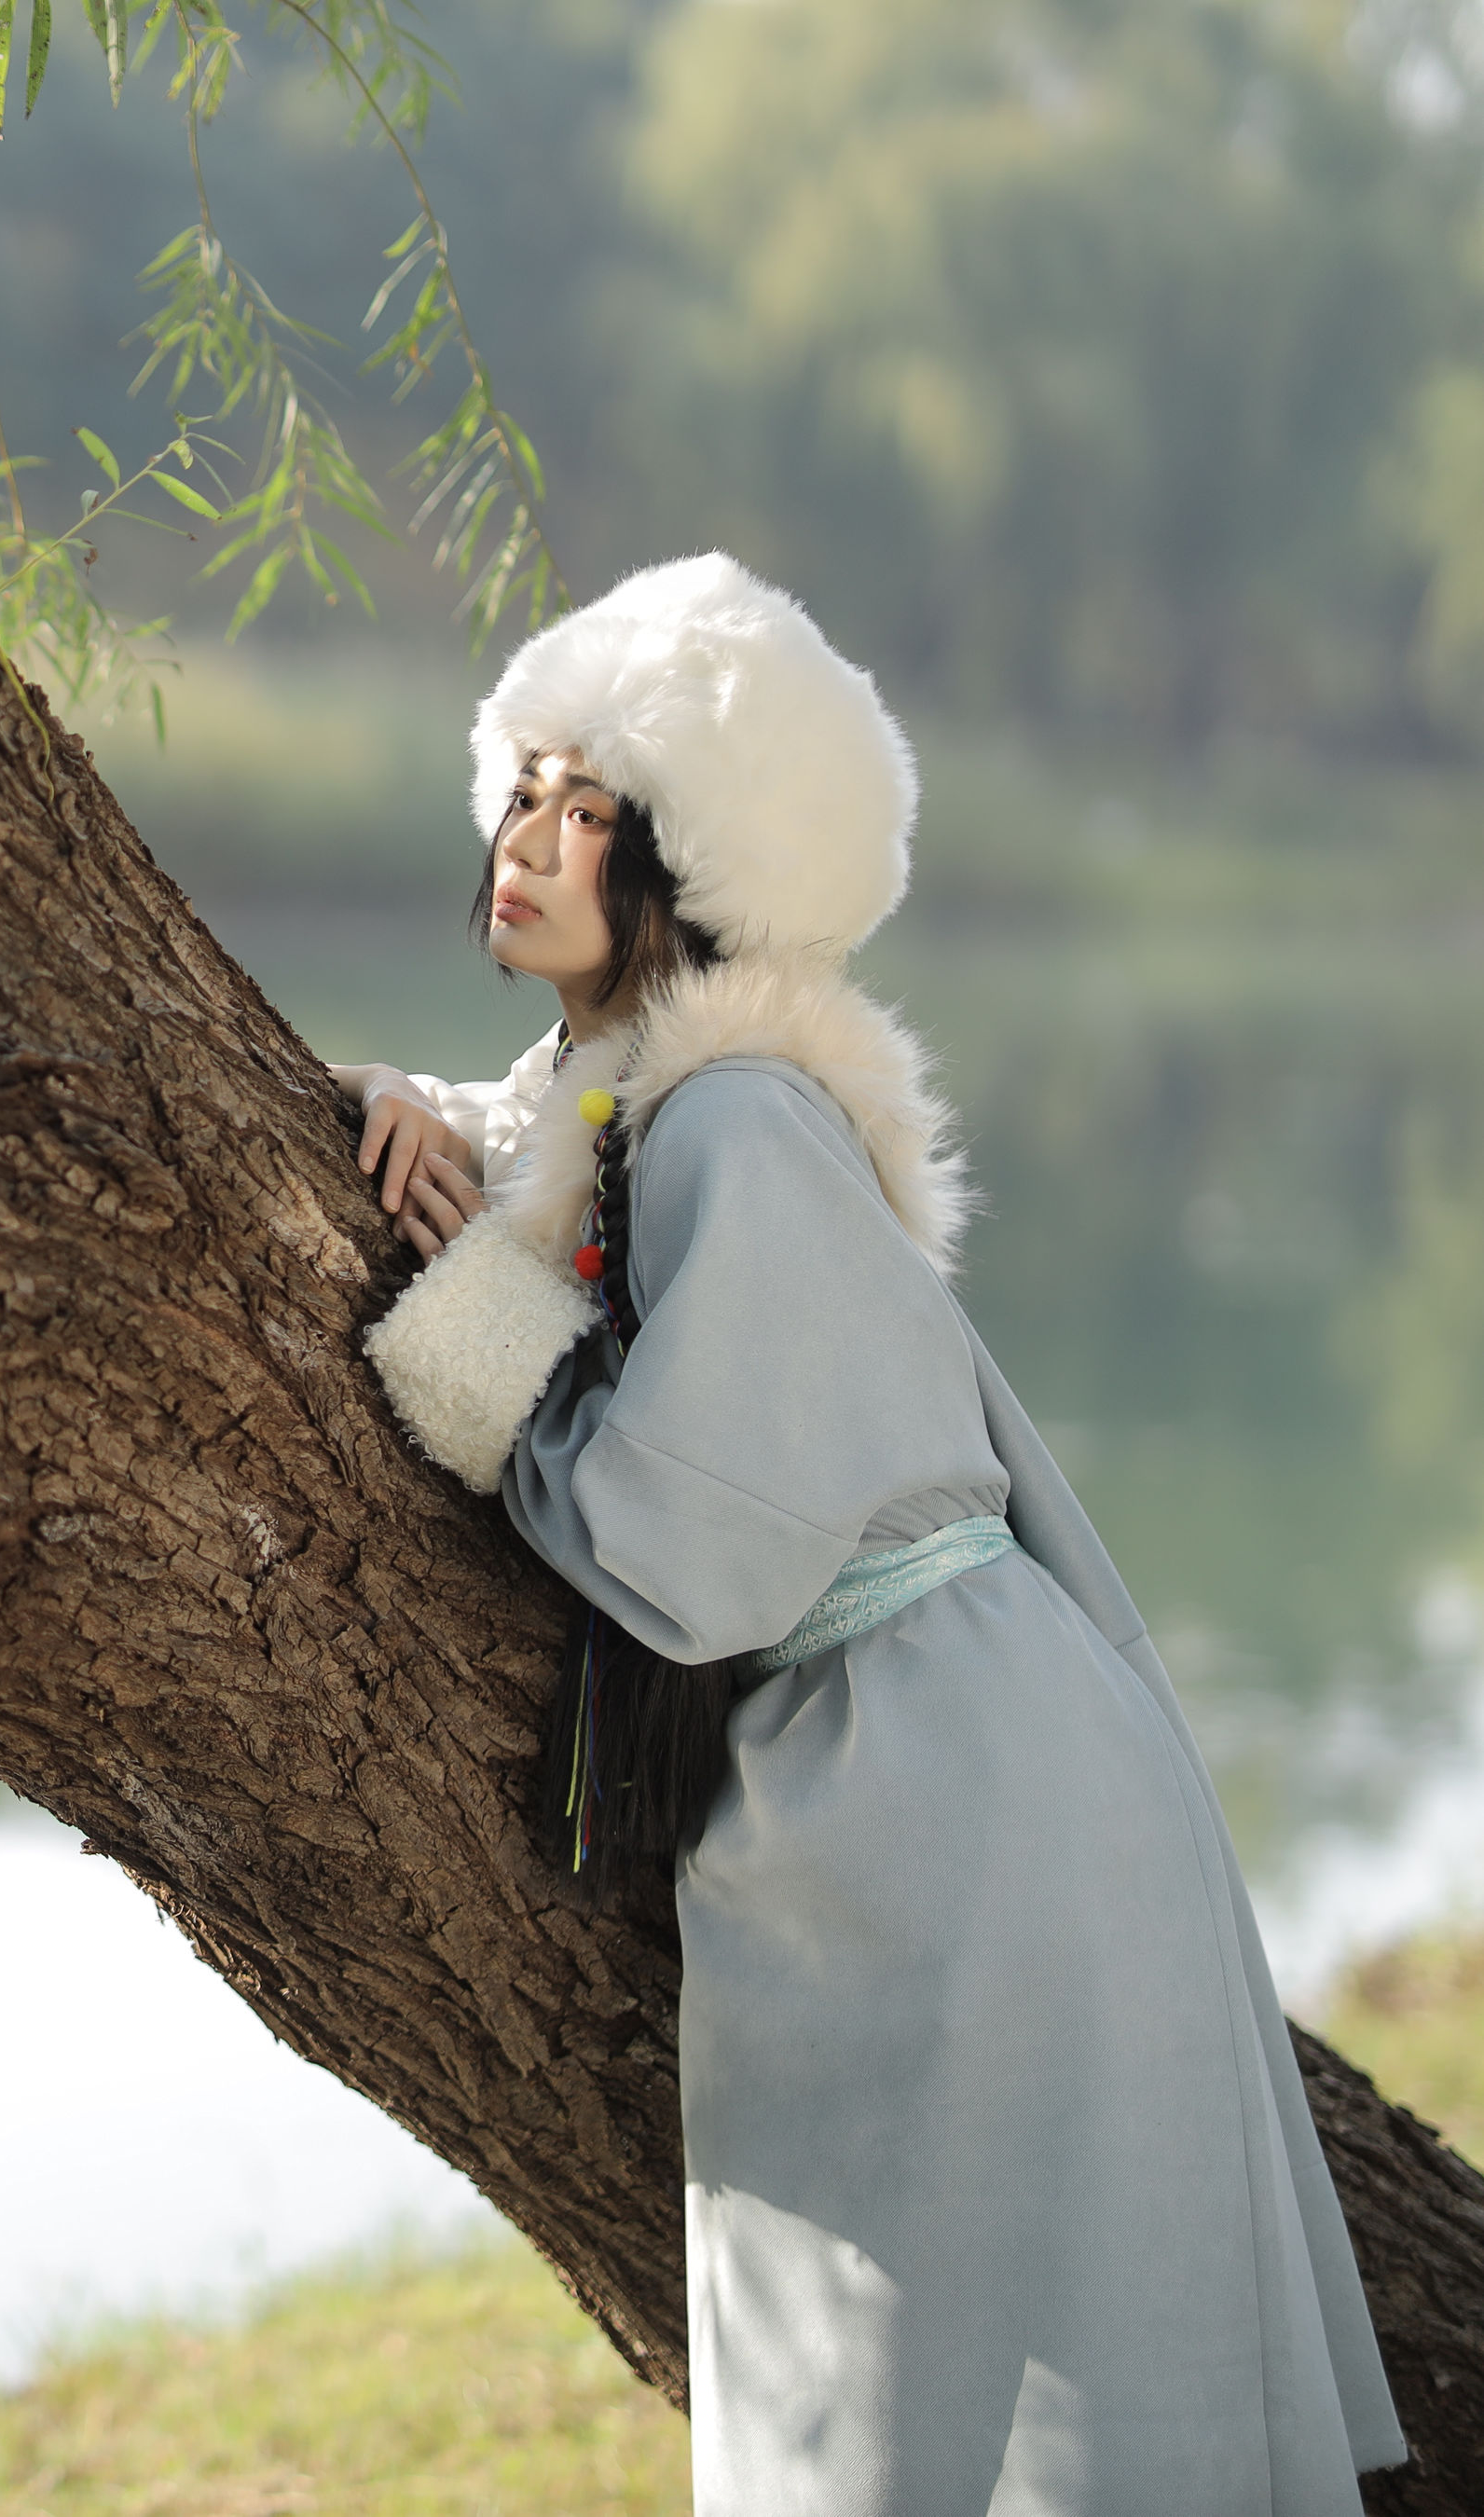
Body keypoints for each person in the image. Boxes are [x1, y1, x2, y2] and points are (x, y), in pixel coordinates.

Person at [349, 553, 1406, 2514]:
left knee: (986, 2377)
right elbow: (536, 1158)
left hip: (952, 1798)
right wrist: (404, 1125)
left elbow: (695, 1539)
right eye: (529, 792)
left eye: (594, 816)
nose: (532, 842)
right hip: (921, 1771)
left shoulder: (739, 1124)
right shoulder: (633, 1100)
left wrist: (491, 1362)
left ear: (685, 875)